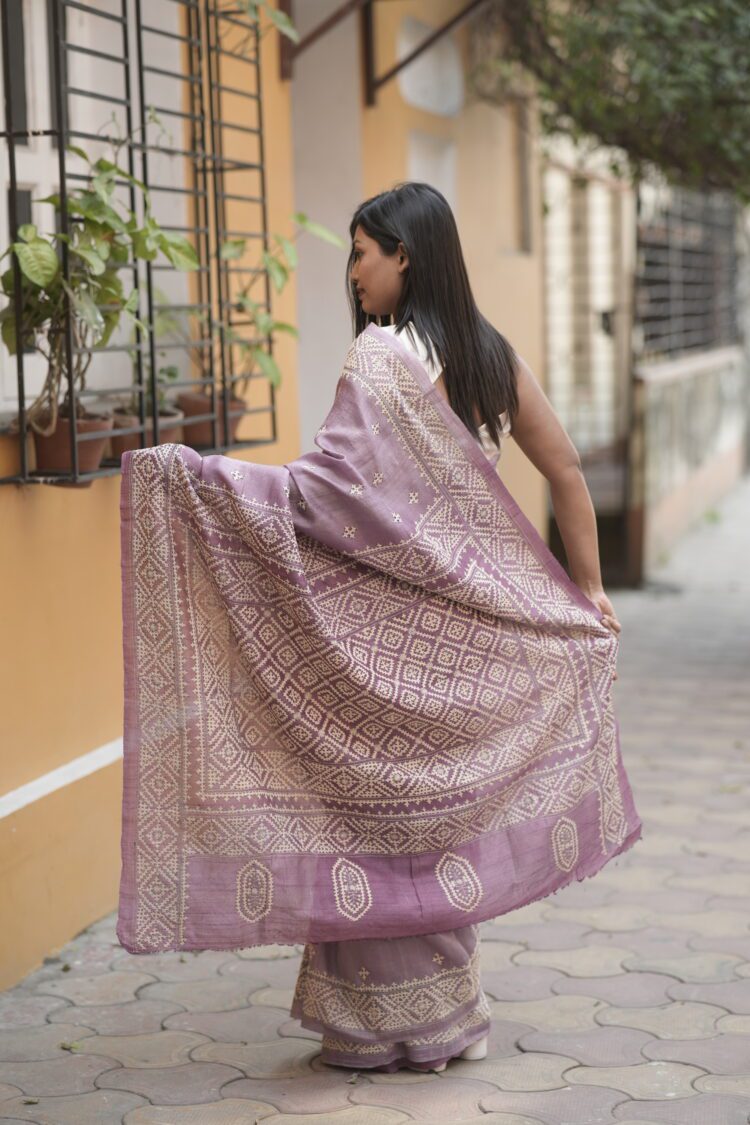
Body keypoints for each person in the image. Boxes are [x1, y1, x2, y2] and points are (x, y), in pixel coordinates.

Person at [289, 182, 622, 1072]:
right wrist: (588, 589)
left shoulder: (380, 363)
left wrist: (223, 492)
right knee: (434, 819)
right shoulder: (488, 354)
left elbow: (326, 496)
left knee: (369, 816)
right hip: (462, 637)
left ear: (405, 254)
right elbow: (566, 468)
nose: (351, 270)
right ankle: (440, 1021)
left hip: (376, 636)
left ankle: (370, 1029)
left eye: (362, 252)